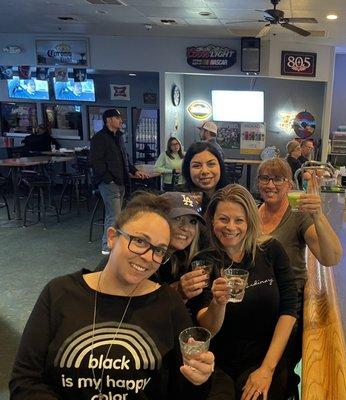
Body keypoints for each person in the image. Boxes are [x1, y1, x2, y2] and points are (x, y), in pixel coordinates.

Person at [10, 192, 215, 399]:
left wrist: (199, 379)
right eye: (139, 241)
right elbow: (24, 380)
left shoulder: (169, 304)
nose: (147, 257)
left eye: (159, 250)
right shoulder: (59, 293)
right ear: (112, 237)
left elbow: (184, 389)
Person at [192, 184, 298, 400]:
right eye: (223, 219)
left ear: (249, 221)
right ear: (212, 221)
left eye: (239, 220)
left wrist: (267, 369)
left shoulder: (271, 251)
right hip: (217, 361)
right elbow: (206, 329)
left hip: (265, 358)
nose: (230, 226)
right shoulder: (203, 262)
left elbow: (289, 309)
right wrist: (218, 303)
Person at [256, 157, 342, 385]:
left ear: (289, 185)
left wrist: (318, 216)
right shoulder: (253, 213)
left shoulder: (298, 216)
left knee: (278, 376)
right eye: (265, 178)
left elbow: (331, 257)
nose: (270, 184)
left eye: (278, 179)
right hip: (259, 302)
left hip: (285, 306)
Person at [90, 108, 148, 255]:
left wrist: (134, 171)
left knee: (116, 214)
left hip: (121, 181)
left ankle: (113, 242)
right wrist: (108, 179)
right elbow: (96, 162)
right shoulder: (99, 138)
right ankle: (107, 246)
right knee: (113, 215)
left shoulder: (119, 137)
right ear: (108, 120)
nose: (121, 121)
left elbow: (125, 157)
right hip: (109, 183)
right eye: (117, 118)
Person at [180, 141, 227, 214]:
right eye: (197, 166)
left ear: (220, 166)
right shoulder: (179, 200)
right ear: (188, 170)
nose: (205, 171)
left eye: (211, 164)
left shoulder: (232, 198)